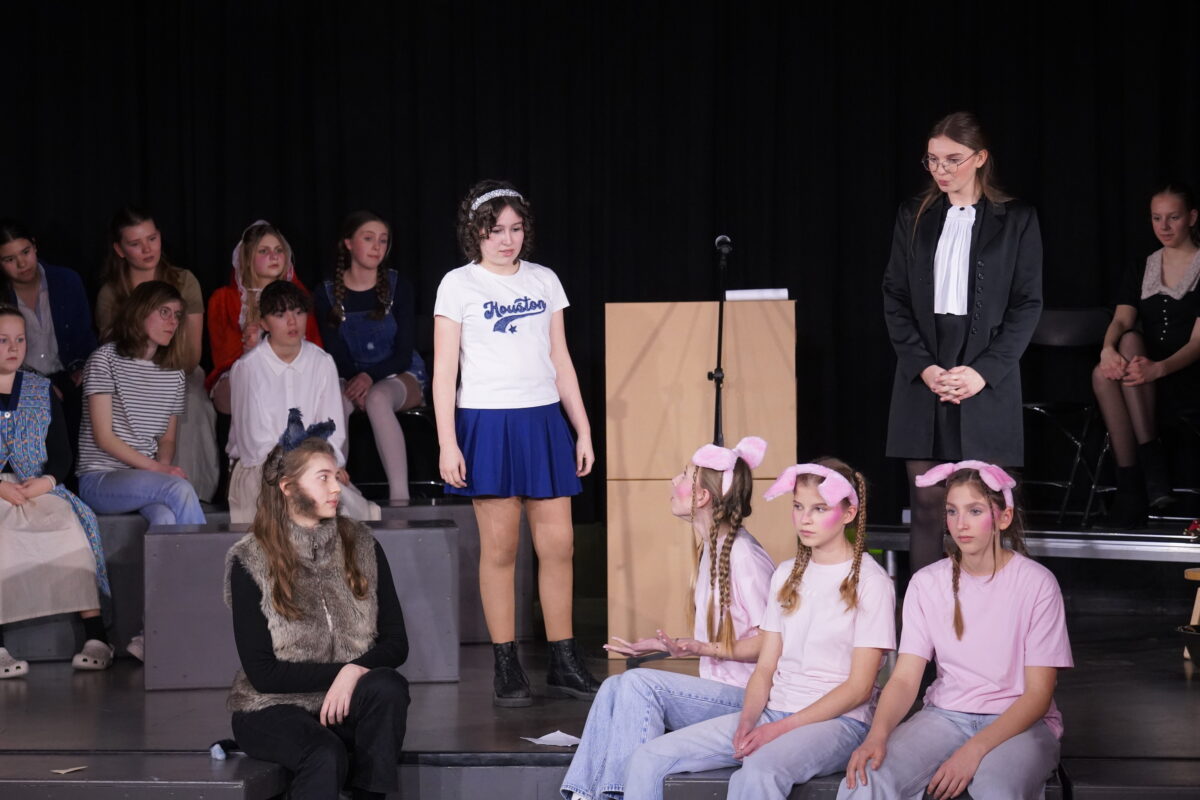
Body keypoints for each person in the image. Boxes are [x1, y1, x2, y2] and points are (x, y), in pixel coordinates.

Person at [623, 459, 894, 800]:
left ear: (849, 513)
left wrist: (778, 729)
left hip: (840, 722)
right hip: (774, 710)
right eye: (798, 506)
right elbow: (765, 668)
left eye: (819, 508)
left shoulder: (871, 582)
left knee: (761, 769)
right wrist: (747, 722)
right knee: (648, 757)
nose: (805, 518)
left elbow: (859, 688)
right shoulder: (786, 574)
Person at [434, 180, 599, 705]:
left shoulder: (544, 279)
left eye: (515, 229)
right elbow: (444, 373)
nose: (506, 240)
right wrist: (447, 443)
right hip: (487, 422)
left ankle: (564, 661)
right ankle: (506, 666)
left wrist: (582, 428)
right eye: (495, 230)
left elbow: (561, 359)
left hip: (542, 420)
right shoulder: (457, 285)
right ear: (475, 233)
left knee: (559, 546)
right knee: (501, 549)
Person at [839, 462, 1072, 800]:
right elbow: (904, 679)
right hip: (945, 717)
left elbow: (1038, 694)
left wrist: (974, 750)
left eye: (975, 511)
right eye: (952, 511)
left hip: (1019, 723)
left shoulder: (1037, 583)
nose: (960, 524)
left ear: (1003, 518)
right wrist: (877, 735)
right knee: (866, 778)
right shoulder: (926, 583)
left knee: (997, 789)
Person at [560, 436, 777, 800]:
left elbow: (769, 645)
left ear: (702, 496)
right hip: (723, 692)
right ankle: (584, 795)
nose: (673, 482)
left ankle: (617, 793)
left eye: (684, 476)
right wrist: (674, 645)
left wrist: (702, 647)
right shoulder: (713, 550)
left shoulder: (744, 557)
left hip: (749, 701)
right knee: (614, 687)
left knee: (639, 685)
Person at [882, 111, 1043, 573]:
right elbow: (894, 296)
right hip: (925, 370)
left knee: (987, 507)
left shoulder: (1017, 219)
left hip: (986, 372)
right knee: (928, 506)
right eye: (933, 160)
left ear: (980, 158)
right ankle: (922, 616)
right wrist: (925, 367)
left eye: (953, 159)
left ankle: (990, 611)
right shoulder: (913, 215)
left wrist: (981, 373)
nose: (941, 169)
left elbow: (1027, 304)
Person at [226, 411, 409, 800]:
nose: (336, 487)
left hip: (342, 702)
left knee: (388, 687)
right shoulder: (250, 560)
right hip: (270, 707)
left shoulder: (362, 545)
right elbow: (264, 674)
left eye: (336, 476)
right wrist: (342, 672)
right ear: (288, 487)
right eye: (322, 478)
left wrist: (354, 672)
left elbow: (396, 643)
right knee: (324, 753)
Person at [0, 305, 112, 677]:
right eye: (3, 340)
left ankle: (96, 636)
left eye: (19, 340)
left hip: (37, 486)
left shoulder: (40, 389)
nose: (13, 348)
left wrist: (46, 482)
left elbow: (62, 452)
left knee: (72, 531)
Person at [1092, 183, 1200, 525]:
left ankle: (1134, 486)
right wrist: (1107, 350)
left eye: (1173, 218)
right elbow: (1122, 319)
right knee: (1110, 362)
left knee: (1125, 357)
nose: (1164, 227)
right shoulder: (1143, 265)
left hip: (1185, 373)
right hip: (1142, 374)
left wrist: (1159, 369)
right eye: (1156, 218)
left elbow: (1198, 343)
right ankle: (1145, 473)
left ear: (1192, 218)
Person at [227, 280, 379, 523]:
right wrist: (307, 468)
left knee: (345, 512)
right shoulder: (248, 368)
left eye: (298, 312)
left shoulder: (321, 362)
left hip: (314, 469)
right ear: (264, 323)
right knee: (298, 505)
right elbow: (255, 444)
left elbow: (331, 430)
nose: (292, 322)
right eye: (280, 315)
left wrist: (327, 464)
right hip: (261, 471)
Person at [98, 207, 219, 501]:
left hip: (179, 369)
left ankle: (194, 493)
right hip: (130, 378)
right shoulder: (111, 293)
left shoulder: (184, 281)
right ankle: (140, 488)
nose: (147, 249)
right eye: (135, 243)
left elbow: (191, 354)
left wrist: (164, 378)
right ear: (120, 249)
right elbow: (112, 354)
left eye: (152, 239)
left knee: (190, 403)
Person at [315, 211, 426, 503]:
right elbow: (333, 351)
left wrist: (369, 378)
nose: (377, 247)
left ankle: (400, 498)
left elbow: (403, 352)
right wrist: (357, 380)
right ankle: (337, 492)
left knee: (377, 398)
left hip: (397, 374)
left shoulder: (399, 286)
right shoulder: (327, 293)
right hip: (349, 376)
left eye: (383, 240)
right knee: (337, 401)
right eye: (368, 238)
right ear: (348, 243)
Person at [77, 280, 206, 528]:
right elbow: (104, 437)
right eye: (164, 312)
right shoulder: (104, 360)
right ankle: (208, 555)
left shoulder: (174, 372)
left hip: (146, 476)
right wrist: (157, 470)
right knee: (179, 489)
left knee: (166, 517)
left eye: (177, 315)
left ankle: (175, 557)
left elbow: (167, 440)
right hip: (101, 478)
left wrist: (161, 468)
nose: (173, 322)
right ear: (140, 312)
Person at [207, 221, 323, 415]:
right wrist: (251, 351)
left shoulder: (299, 296)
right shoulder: (224, 300)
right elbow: (223, 358)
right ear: (247, 258)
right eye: (263, 251)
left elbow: (314, 345)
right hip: (242, 375)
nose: (274, 256)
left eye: (278, 250)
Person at [0, 220, 97, 446]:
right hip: (18, 379)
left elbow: (85, 335)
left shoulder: (66, 281)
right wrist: (35, 384)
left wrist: (83, 367)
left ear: (35, 246)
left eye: (25, 252)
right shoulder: (2, 295)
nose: (22, 263)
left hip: (67, 375)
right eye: (9, 259)